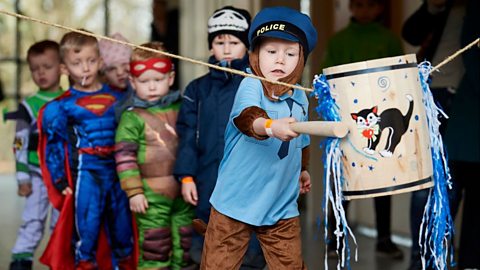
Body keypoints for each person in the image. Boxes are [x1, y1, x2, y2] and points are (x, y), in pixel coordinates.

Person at [200, 6, 317, 269]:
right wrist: (271, 126)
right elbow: (247, 118)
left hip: (281, 204)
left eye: (290, 53)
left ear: (301, 59)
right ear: (255, 55)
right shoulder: (251, 83)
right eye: (271, 52)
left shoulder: (300, 95)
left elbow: (302, 141)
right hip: (234, 202)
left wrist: (303, 170)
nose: (279, 60)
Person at [174, 6, 266, 269]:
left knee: (249, 242)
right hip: (206, 177)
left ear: (247, 46)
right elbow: (188, 134)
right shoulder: (197, 89)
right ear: (210, 46)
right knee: (207, 241)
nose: (226, 48)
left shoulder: (257, 85)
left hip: (249, 180)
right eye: (219, 41)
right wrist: (186, 176)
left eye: (234, 42)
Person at [38, 31, 134, 269]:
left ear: (101, 62)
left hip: (119, 172)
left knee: (123, 233)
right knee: (86, 235)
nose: (86, 69)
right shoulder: (61, 106)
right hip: (87, 172)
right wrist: (60, 179)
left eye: (91, 61)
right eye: (77, 63)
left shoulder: (120, 98)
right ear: (64, 68)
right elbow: (53, 146)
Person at [321, 0, 404, 260]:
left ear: (379, 8)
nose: (365, 10)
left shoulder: (388, 40)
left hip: (379, 121)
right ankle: (336, 239)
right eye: (359, 5)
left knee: (382, 182)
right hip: (348, 122)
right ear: (352, 8)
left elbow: (398, 78)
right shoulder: (339, 41)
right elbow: (328, 80)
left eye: (370, 5)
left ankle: (384, 239)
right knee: (344, 182)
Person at [403, 0, 480, 269]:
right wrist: (434, 6)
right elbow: (410, 33)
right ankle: (423, 260)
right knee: (428, 185)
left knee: (466, 186)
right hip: (435, 97)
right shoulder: (446, 6)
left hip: (470, 106)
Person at [114, 41, 195, 269]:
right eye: (144, 81)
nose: (151, 87)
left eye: (158, 80)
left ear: (170, 78)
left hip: (184, 193)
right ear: (132, 82)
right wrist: (134, 191)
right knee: (155, 248)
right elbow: (124, 158)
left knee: (187, 246)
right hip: (150, 198)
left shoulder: (183, 108)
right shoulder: (131, 118)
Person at [8, 40, 63, 270]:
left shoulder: (70, 100)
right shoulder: (28, 106)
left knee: (61, 225)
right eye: (34, 68)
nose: (40, 73)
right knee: (33, 221)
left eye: (47, 66)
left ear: (62, 67)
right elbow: (19, 142)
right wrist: (22, 177)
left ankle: (59, 260)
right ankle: (21, 261)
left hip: (63, 177)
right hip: (36, 174)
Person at [98, 32, 134, 120]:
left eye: (124, 64)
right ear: (103, 74)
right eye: (111, 69)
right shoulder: (100, 99)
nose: (120, 72)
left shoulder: (143, 92)